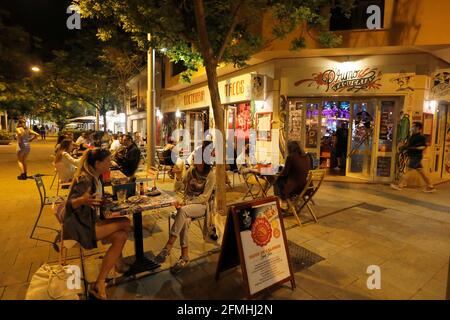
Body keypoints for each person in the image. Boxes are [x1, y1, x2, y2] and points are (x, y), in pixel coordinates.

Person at [63, 148, 131, 300]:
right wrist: (82, 200)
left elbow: (95, 199)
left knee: (121, 235)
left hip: (89, 221)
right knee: (126, 223)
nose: (110, 163)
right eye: (107, 161)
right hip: (79, 228)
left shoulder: (97, 177)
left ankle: (100, 282)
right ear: (98, 163)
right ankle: (117, 261)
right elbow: (67, 205)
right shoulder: (85, 179)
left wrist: (102, 199)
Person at [155, 142, 214, 274]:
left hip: (201, 206)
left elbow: (205, 197)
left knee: (183, 211)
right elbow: (179, 188)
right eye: (194, 157)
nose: (193, 160)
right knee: (184, 221)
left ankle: (169, 245)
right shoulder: (192, 170)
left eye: (196, 157)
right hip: (187, 205)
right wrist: (178, 176)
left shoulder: (210, 175)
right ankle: (184, 257)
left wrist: (186, 203)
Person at [390, 122, 436, 193]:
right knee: (422, 172)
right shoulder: (412, 136)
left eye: (413, 127)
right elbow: (409, 145)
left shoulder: (421, 137)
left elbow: (424, 146)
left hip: (416, 156)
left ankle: (400, 185)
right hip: (412, 156)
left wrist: (415, 148)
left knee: (408, 170)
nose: (412, 128)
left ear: (418, 128)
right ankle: (430, 186)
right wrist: (404, 148)